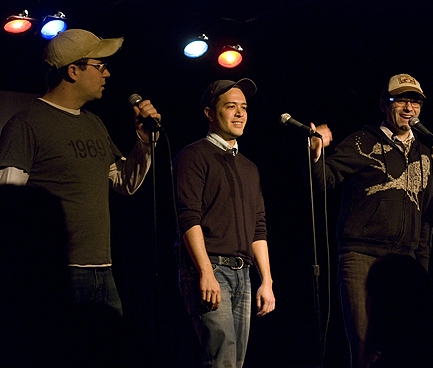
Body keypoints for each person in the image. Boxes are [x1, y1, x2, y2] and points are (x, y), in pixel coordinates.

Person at [0, 29, 161, 316]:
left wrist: (144, 142)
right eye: (101, 67)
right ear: (73, 71)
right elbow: (10, 204)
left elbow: (124, 182)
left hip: (103, 270)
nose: (107, 75)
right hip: (58, 273)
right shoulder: (27, 124)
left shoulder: (94, 123)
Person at [309, 73, 433, 368]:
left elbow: (427, 216)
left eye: (415, 101)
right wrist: (315, 156)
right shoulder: (361, 142)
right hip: (362, 256)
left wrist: (422, 266)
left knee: (403, 349)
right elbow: (323, 181)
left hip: (405, 261)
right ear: (383, 104)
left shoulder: (428, 150)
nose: (409, 107)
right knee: (368, 347)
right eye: (401, 99)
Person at [174, 78, 275, 368]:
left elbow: (259, 226)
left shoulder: (248, 167)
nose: (240, 114)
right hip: (212, 268)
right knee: (222, 359)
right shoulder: (194, 155)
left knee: (235, 361)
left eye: (243, 107)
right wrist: (205, 271)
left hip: (243, 273)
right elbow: (188, 217)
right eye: (231, 107)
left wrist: (266, 280)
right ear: (209, 113)